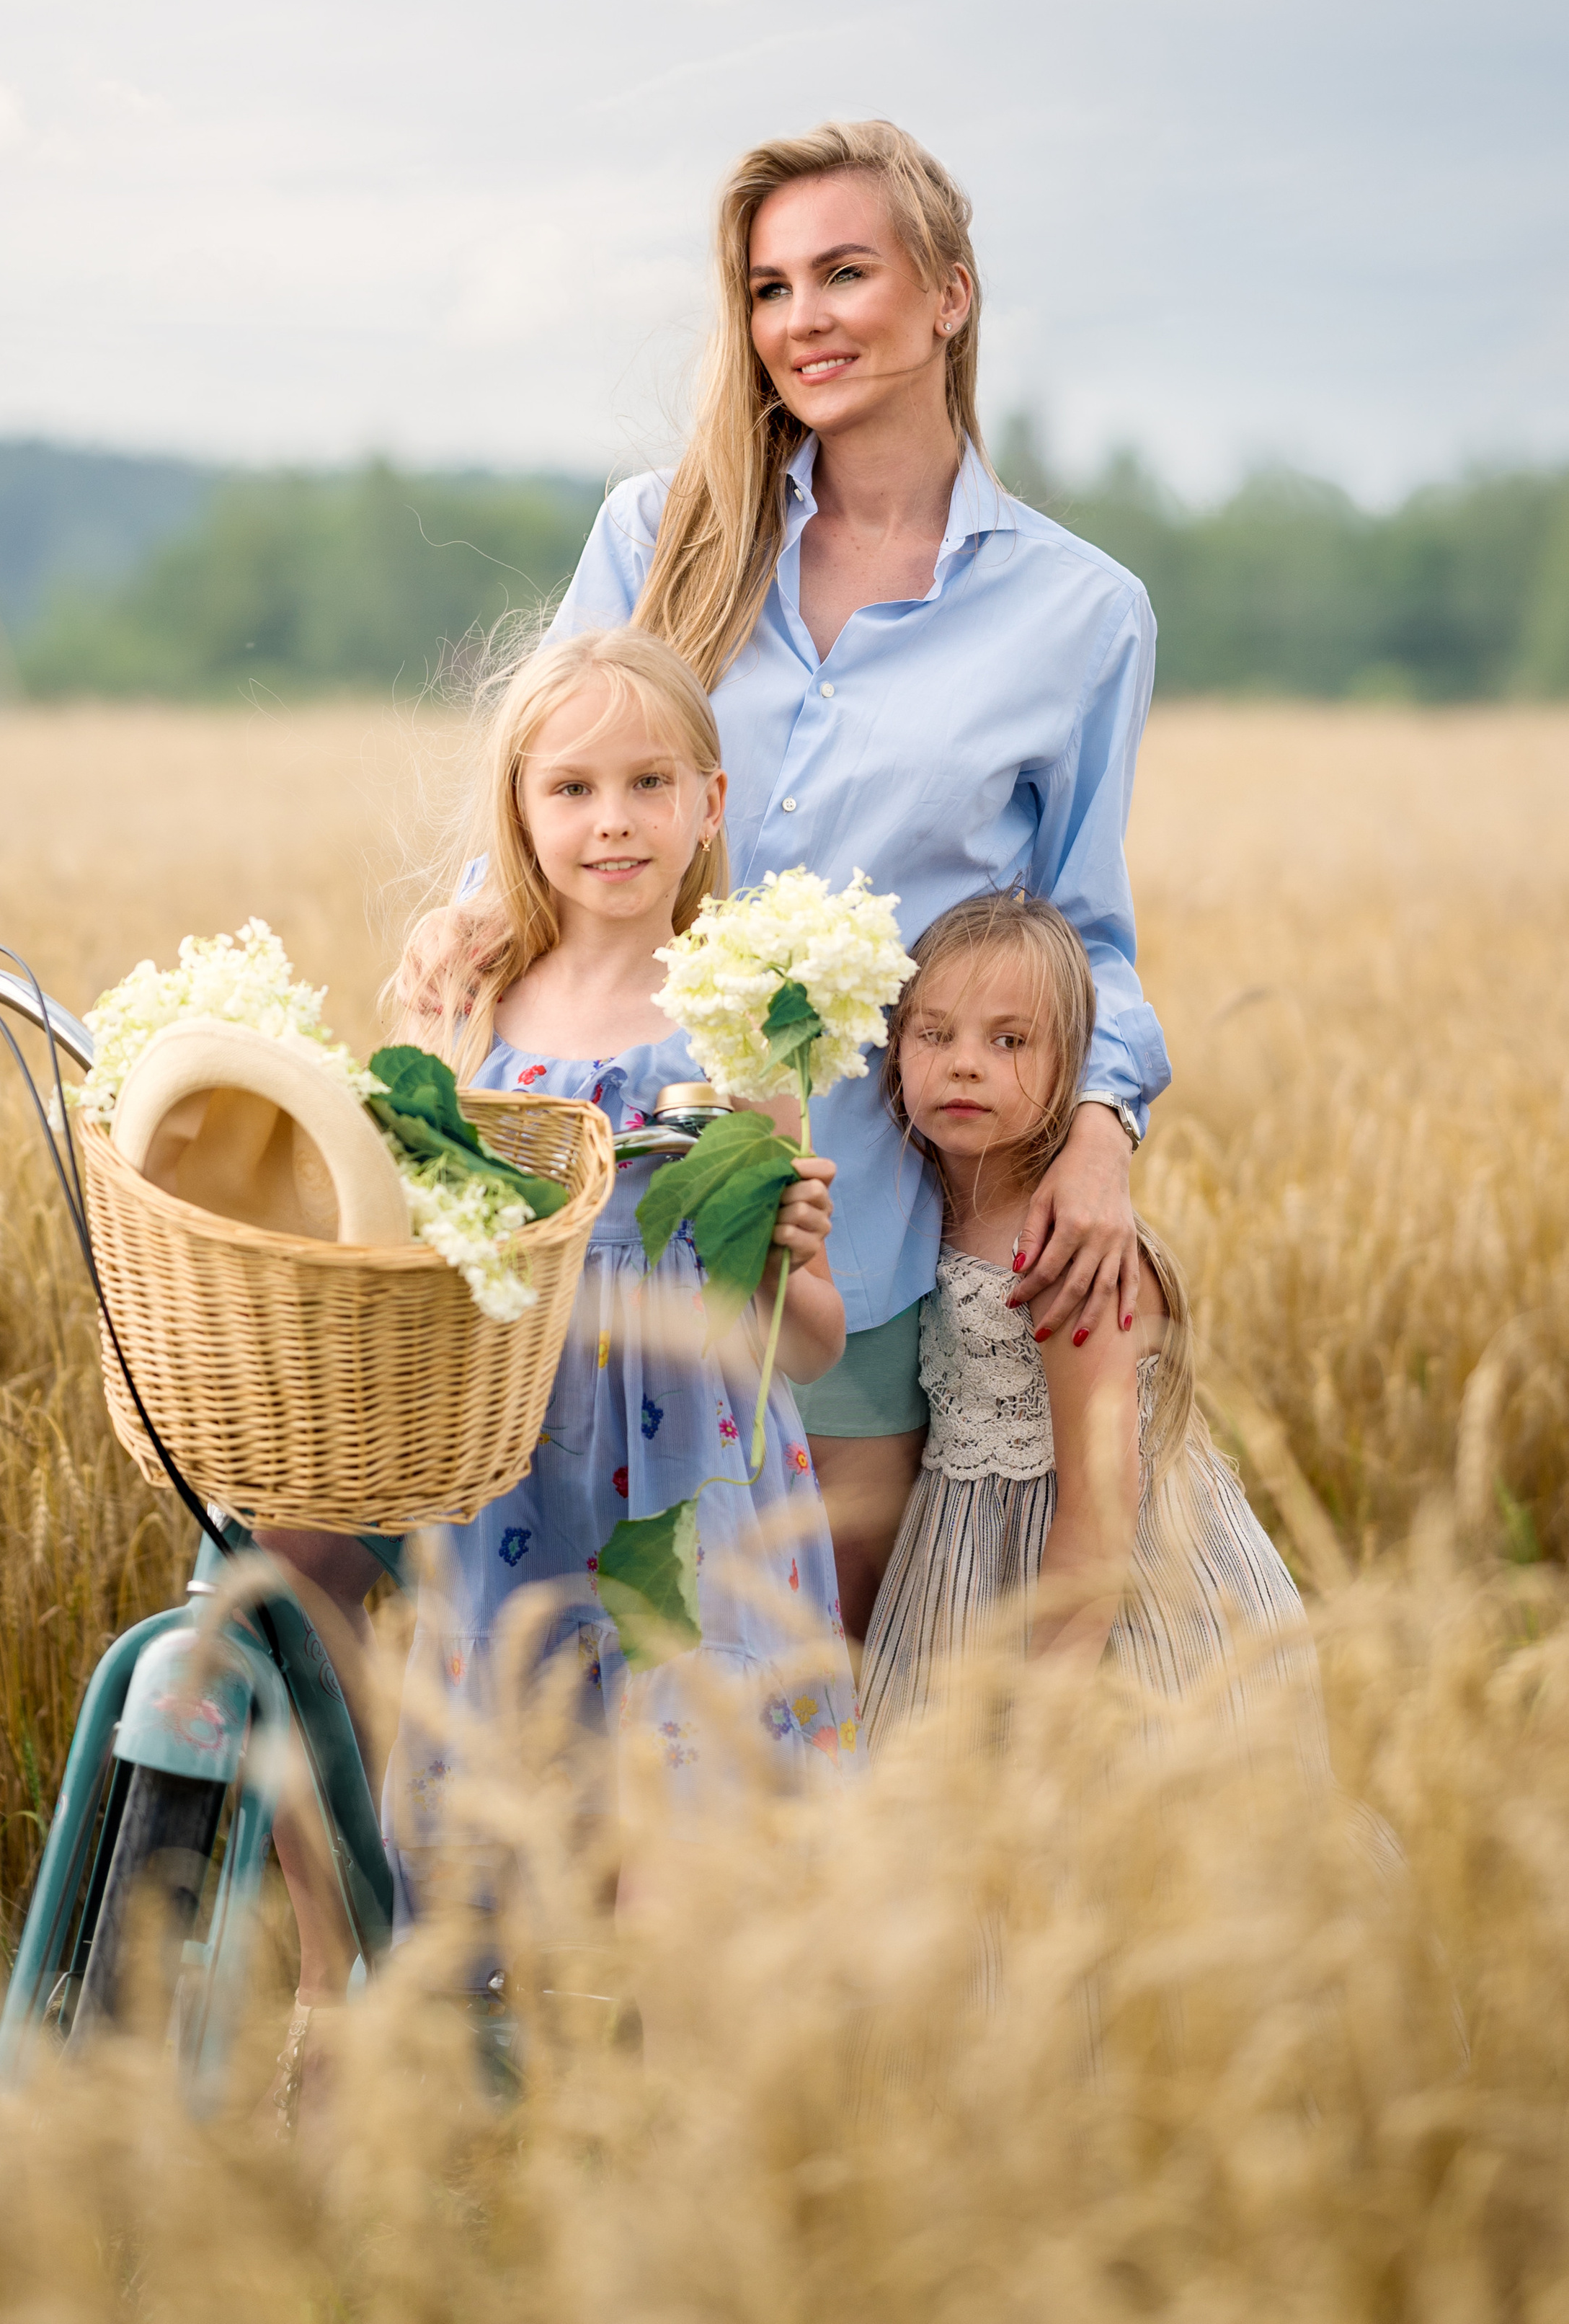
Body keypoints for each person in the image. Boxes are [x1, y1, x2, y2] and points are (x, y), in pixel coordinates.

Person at [406, 118, 1170, 1638]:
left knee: (808, 1695)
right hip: (594, 1218)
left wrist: (1100, 1130)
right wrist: (468, 915)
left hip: (852, 1239)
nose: (801, 318)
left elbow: (1081, 931)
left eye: (843, 273)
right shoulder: (658, 535)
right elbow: (548, 786)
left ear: (948, 294)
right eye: (768, 288)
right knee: (553, 1670)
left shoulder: (1082, 614)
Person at [378, 623, 861, 1938]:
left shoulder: (741, 1025)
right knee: (519, 1862)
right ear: (521, 810)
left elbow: (808, 1344)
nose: (614, 820)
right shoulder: (475, 1012)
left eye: (652, 783)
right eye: (574, 787)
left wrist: (787, 1256)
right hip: (517, 1485)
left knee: (682, 1875)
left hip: (697, 1503)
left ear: (712, 802)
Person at [857, 893, 1322, 1755]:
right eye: (934, 1033)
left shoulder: (1067, 1253)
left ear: (1074, 1064)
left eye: (1009, 1041)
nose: (965, 1065)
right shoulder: (911, 1210)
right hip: (964, 1571)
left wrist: (1045, 1715)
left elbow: (1097, 1515)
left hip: (1099, 1604)